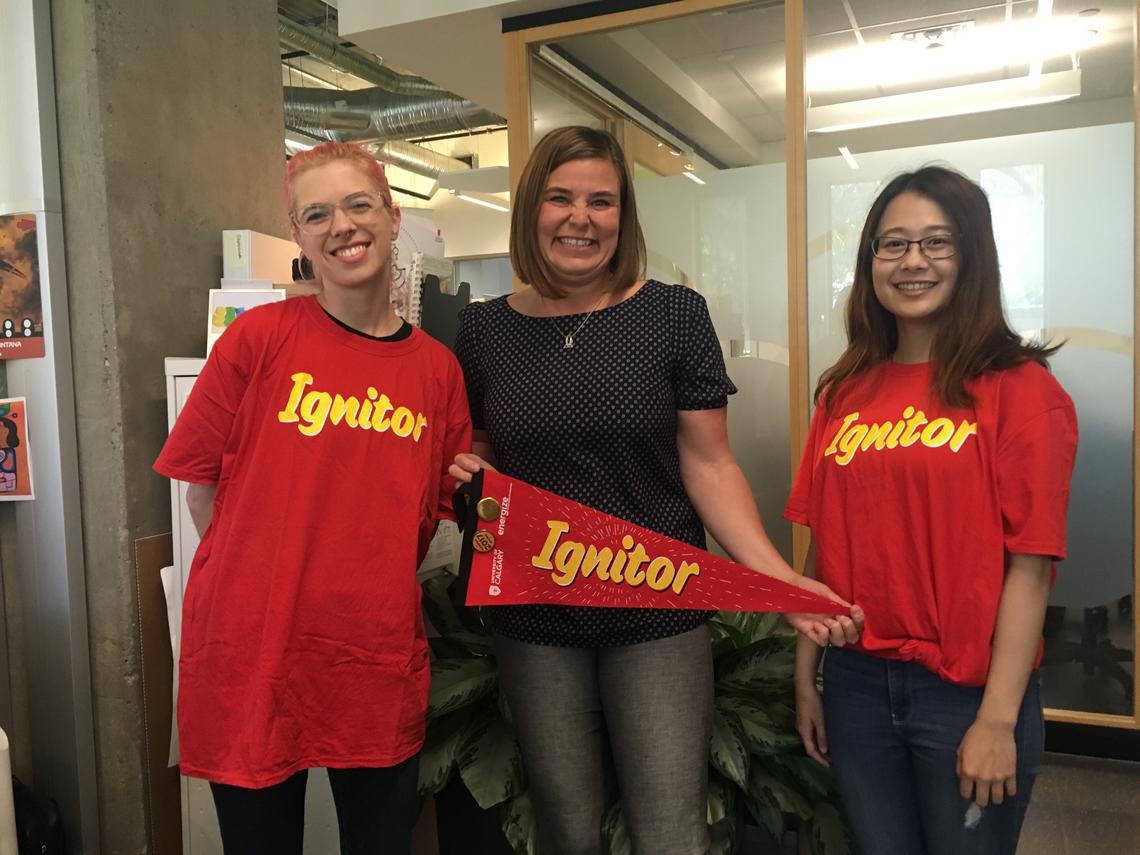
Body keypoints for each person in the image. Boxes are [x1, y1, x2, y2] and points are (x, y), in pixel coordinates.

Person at [449, 125, 859, 855]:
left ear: (623, 216)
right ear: (531, 211)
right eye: (561, 198)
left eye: (601, 201)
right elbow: (482, 446)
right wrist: (468, 473)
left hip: (657, 610)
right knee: (566, 832)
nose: (581, 217)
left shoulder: (672, 315)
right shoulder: (483, 332)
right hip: (537, 620)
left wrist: (778, 579)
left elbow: (709, 465)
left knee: (670, 834)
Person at [154, 141, 472, 855]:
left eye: (359, 205)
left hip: (372, 660)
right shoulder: (257, 340)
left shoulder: (437, 372)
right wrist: (264, 568)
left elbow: (431, 518)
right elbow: (200, 489)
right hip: (255, 656)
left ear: (392, 218)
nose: (342, 226)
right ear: (297, 235)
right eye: (317, 213)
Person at [788, 165, 1078, 855]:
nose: (912, 260)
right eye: (892, 244)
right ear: (870, 263)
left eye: (936, 242)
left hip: (966, 691)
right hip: (855, 680)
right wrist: (806, 673)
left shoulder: (1021, 389)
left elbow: (1030, 568)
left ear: (972, 256)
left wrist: (998, 719)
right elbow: (824, 547)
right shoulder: (843, 392)